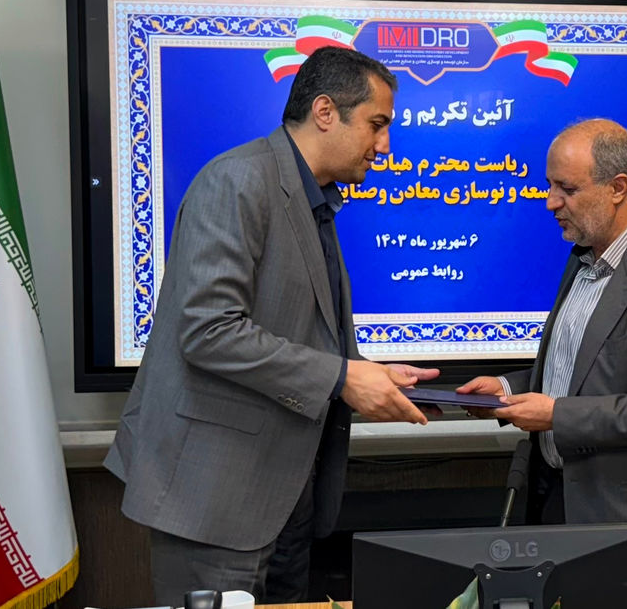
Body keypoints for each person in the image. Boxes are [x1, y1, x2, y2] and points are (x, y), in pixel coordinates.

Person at [104, 47, 437, 606]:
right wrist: (341, 378)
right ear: (325, 112)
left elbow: (301, 333)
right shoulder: (238, 181)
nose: (385, 146)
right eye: (377, 125)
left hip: (285, 499)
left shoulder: (315, 200)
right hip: (213, 499)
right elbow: (209, 331)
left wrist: (368, 375)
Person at [458, 118, 627, 582]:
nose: (550, 201)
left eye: (567, 189)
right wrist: (506, 389)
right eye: (550, 186)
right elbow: (578, 369)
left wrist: (555, 415)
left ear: (618, 188)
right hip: (560, 501)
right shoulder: (584, 255)